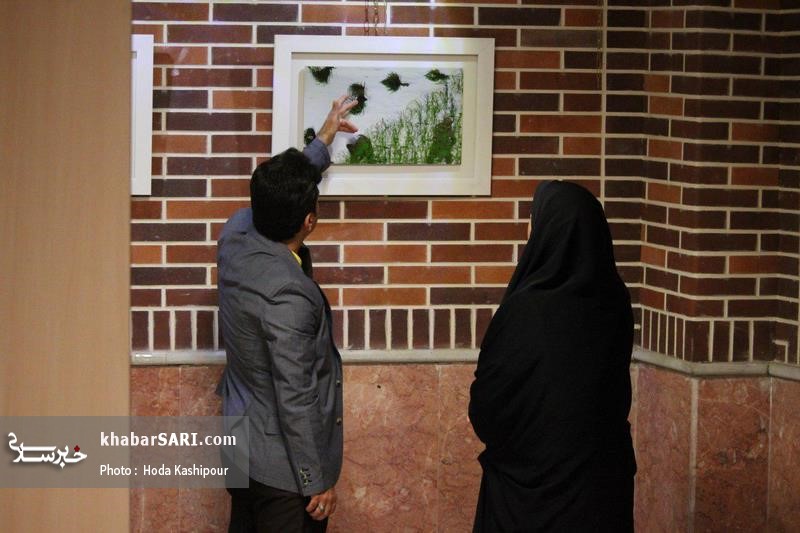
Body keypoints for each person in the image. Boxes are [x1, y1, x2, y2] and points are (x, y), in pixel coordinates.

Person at [216, 96, 357, 532]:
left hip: (240, 447)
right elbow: (295, 394)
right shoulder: (290, 296)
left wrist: (323, 139)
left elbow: (274, 195)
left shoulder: (236, 235)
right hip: (282, 475)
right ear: (309, 222)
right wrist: (316, 481)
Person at [468, 180, 637, 532]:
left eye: (534, 221)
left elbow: (488, 408)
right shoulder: (615, 303)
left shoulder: (525, 311)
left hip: (525, 498)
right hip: (601, 491)